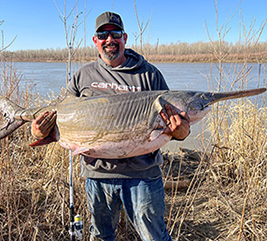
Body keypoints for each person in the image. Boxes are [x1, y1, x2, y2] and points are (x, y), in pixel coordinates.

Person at [31, 12, 190, 241]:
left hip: (142, 175)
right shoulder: (83, 76)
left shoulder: (150, 75)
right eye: (102, 34)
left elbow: (180, 132)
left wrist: (181, 131)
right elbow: (57, 116)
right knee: (101, 236)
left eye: (115, 33)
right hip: (97, 175)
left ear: (124, 37)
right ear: (95, 40)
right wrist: (38, 131)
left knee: (155, 237)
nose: (109, 39)